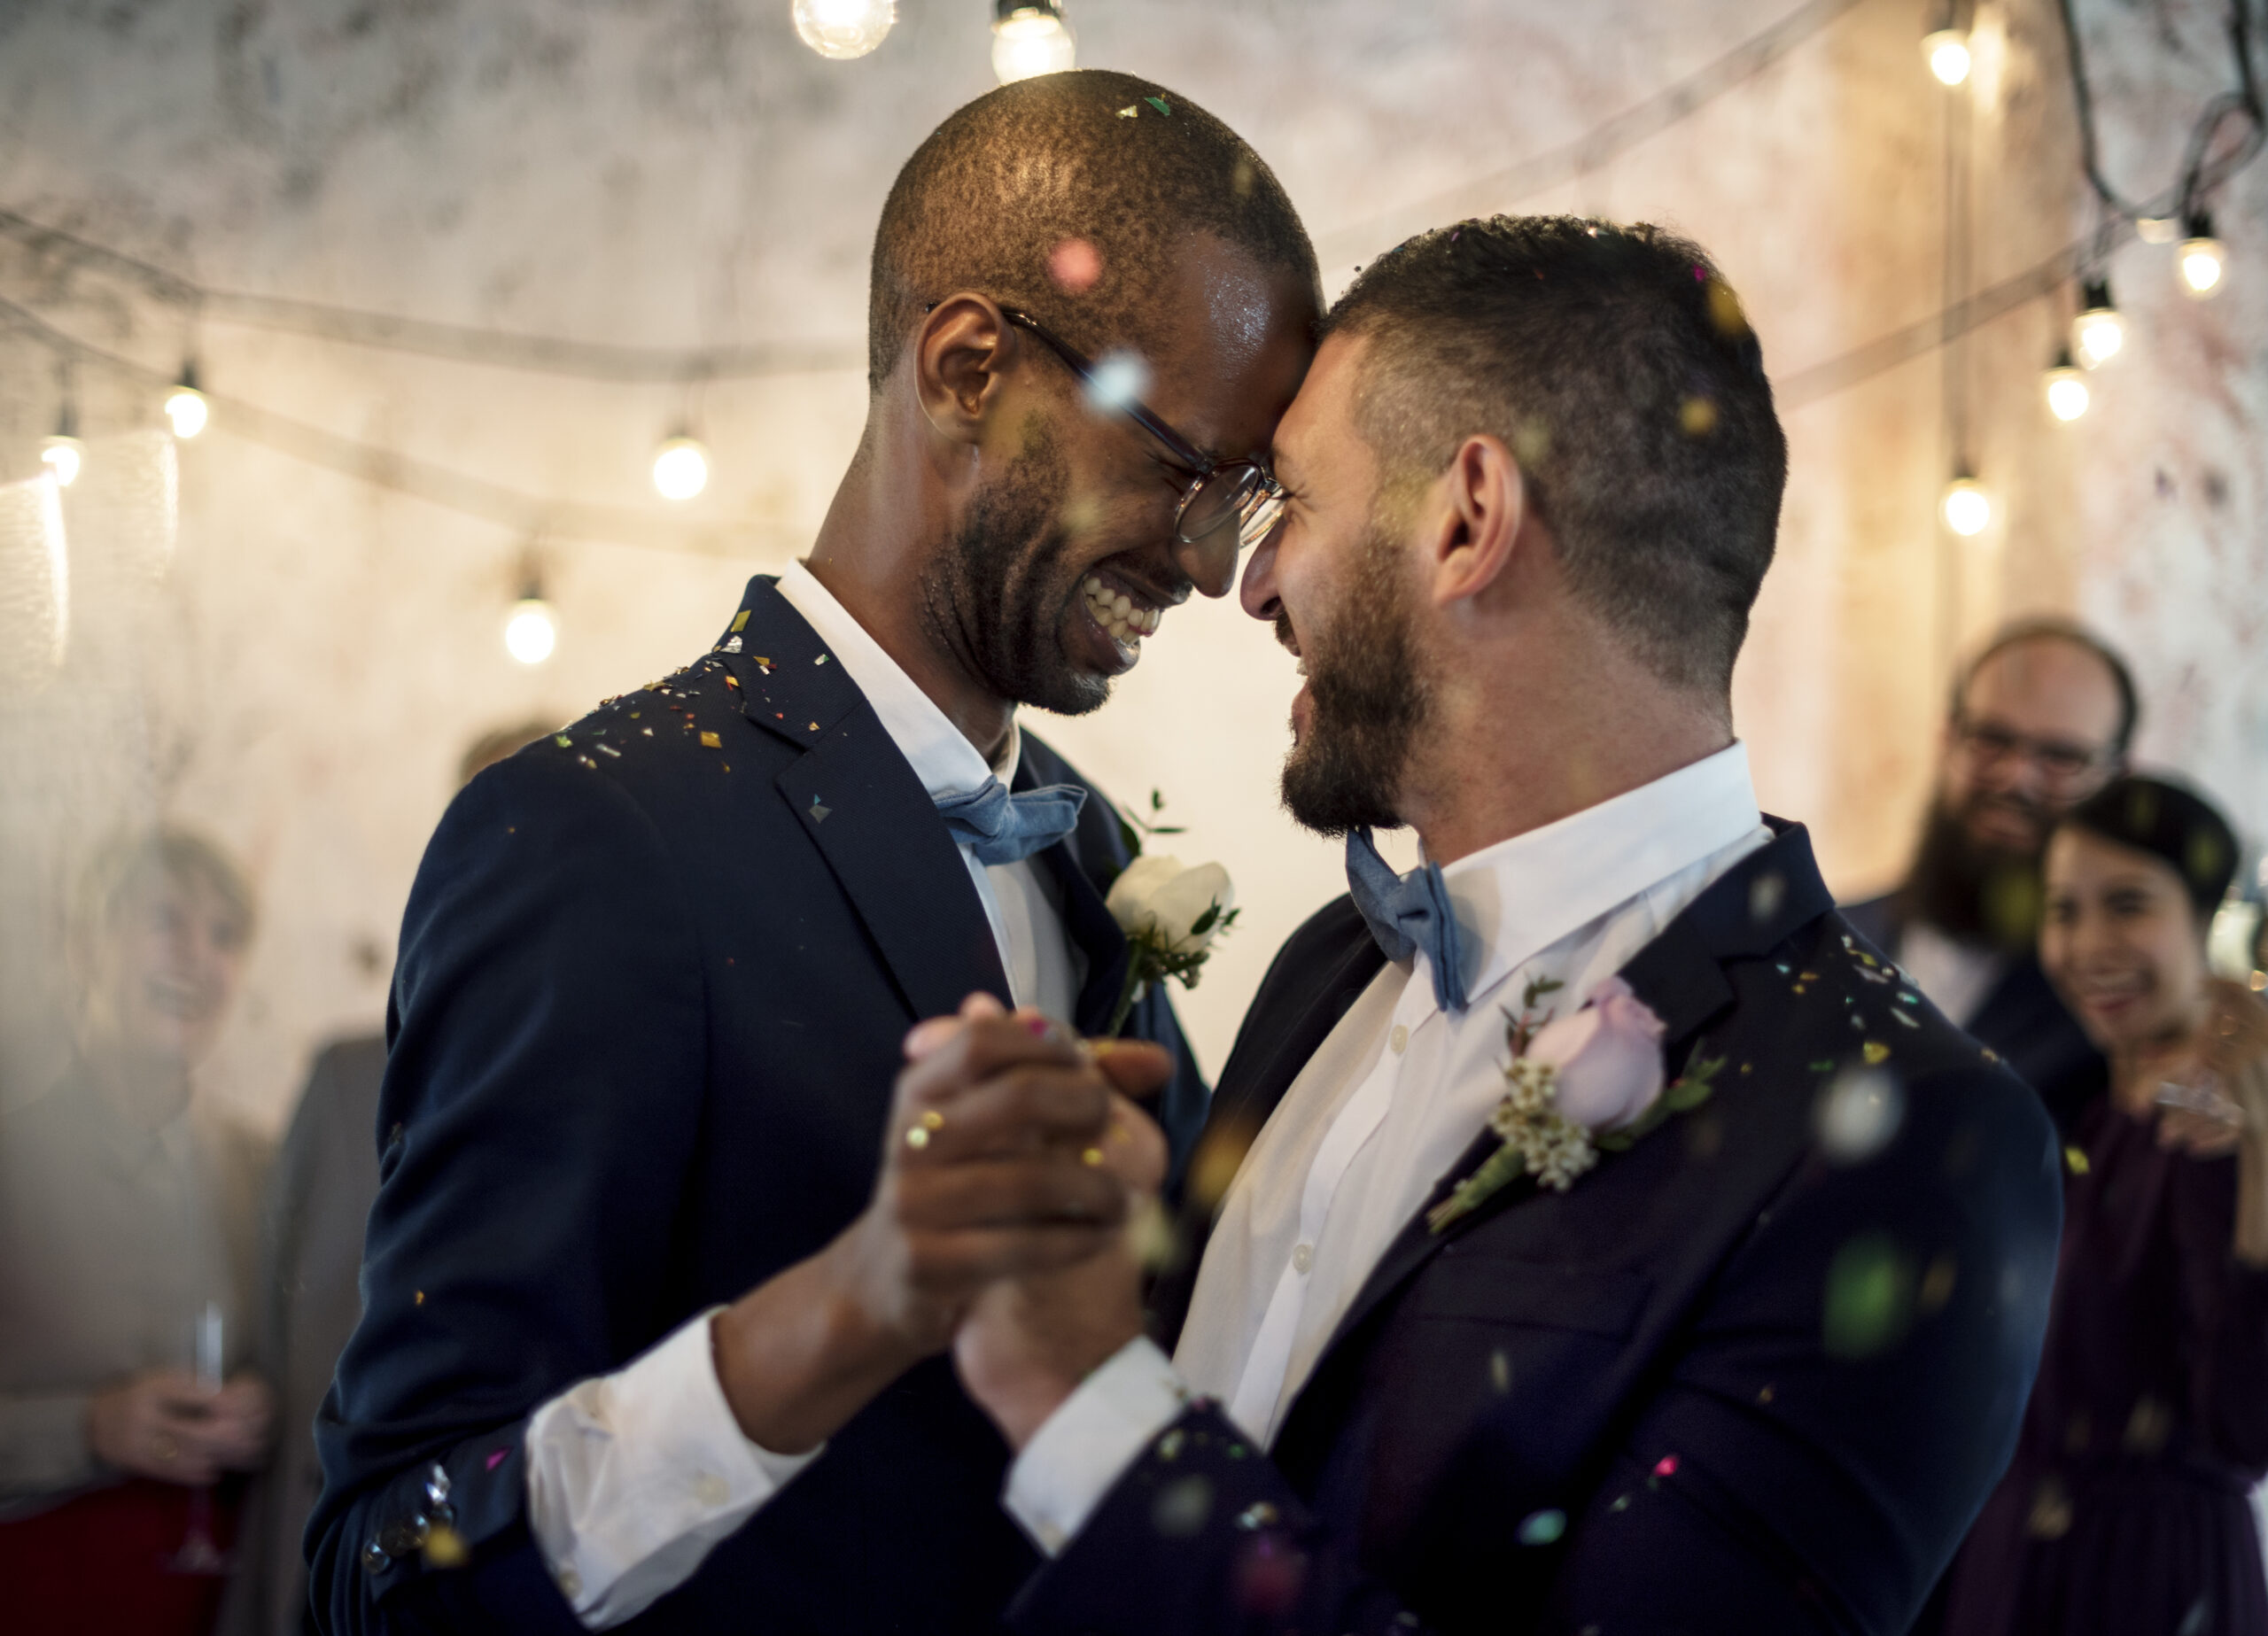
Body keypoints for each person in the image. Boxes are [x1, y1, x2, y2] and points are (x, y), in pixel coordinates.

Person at [913, 216, 2064, 1633]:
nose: (1249, 583)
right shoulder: (1329, 968)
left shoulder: (1916, 1141)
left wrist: (1090, 1403)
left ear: (1468, 518)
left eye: (1293, 511)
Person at [308, 72, 1321, 1635]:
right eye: (1182, 470)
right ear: (970, 366)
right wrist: (839, 1313)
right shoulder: (591, 837)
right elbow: (385, 1567)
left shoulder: (1094, 852)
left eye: (1239, 505)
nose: (1203, 565)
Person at [227, 722, 553, 1636]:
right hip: (313, 1579)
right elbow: (272, 1343)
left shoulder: (628, 1094)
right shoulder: (339, 1083)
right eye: (490, 820)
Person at [1942, 775, 2268, 1636]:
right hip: (2011, 1560)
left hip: (2150, 1582)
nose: (2088, 944)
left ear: (2207, 918)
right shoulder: (2083, 1104)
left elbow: (2246, 1422)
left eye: (2127, 904)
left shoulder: (2220, 1127)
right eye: (2063, 909)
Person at [0, 826, 275, 1636]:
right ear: (85, 941)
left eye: (224, 935)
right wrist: (89, 1426)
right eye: (165, 919)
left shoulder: (268, 1168)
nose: (197, 956)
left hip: (224, 1603)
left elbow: (319, 1380)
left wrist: (268, 1406)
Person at [1845, 621, 2140, 1134]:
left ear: (2118, 780)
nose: (2015, 777)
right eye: (1991, 739)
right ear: (1947, 740)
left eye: (2061, 757)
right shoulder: (1827, 933)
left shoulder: (2121, 1015)